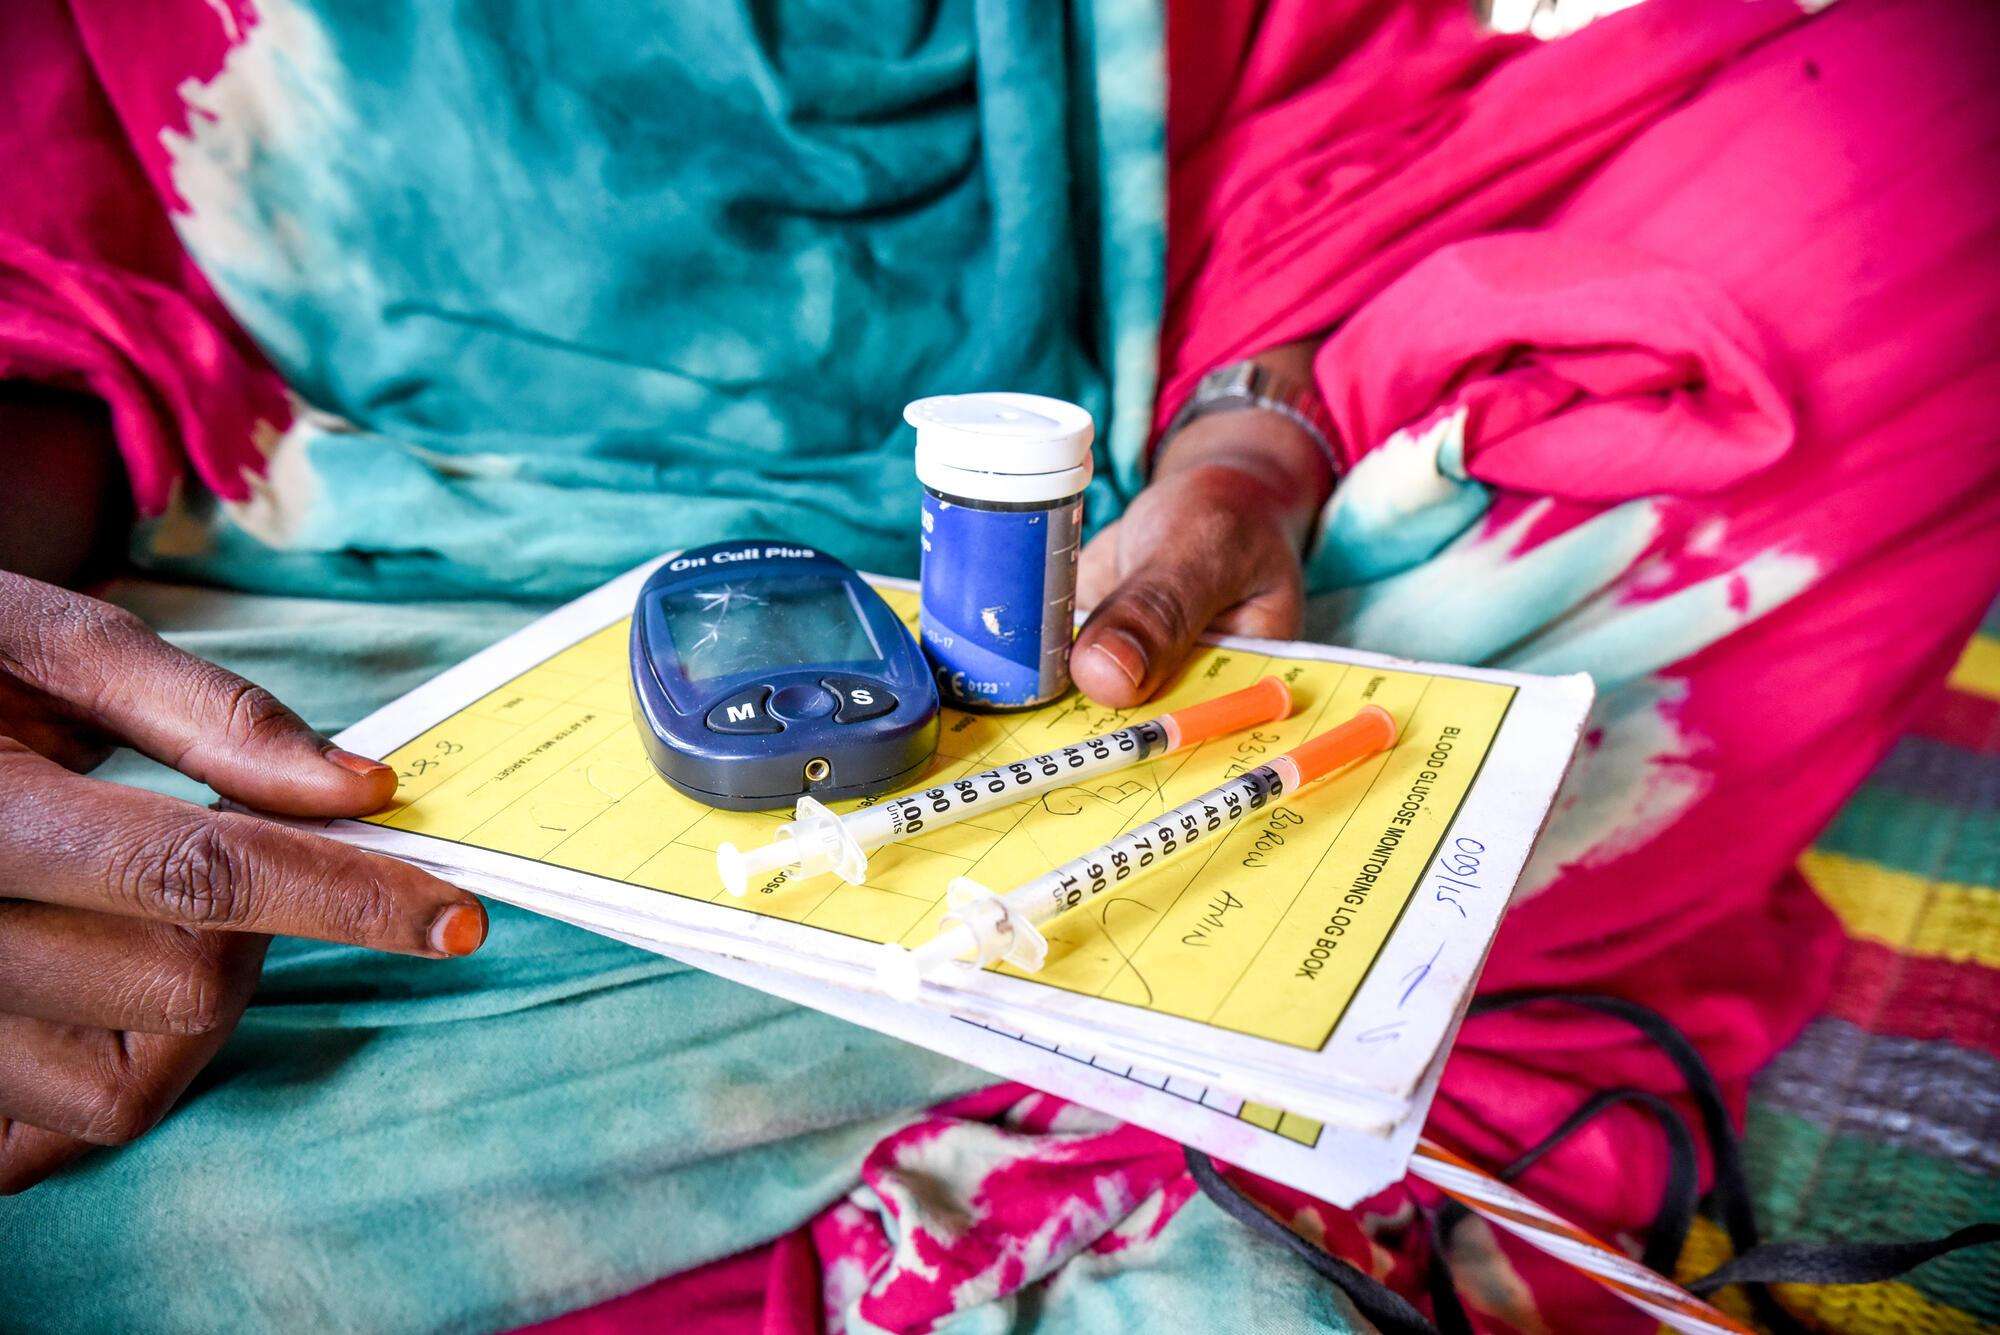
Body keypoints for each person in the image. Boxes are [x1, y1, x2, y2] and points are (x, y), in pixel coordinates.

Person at [2, 0, 1995, 1329]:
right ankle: (1243, 1040)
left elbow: (1372, 72)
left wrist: (1258, 433)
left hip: (1198, 482)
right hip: (354, 561)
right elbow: (56, 290)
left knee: (1913, 143)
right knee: (112, 1157)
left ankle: (1234, 1018)